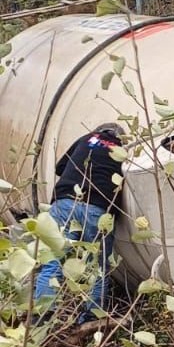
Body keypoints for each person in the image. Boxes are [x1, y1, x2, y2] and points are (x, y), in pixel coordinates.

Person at [33, 123, 125, 321]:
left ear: (100, 130)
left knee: (54, 259)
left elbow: (60, 168)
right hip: (97, 209)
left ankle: (43, 316)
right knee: (98, 266)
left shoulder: (86, 138)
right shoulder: (122, 150)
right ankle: (91, 316)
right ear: (119, 137)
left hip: (66, 201)